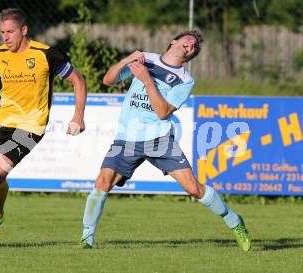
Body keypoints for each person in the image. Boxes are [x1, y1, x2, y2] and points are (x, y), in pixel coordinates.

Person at [79, 30, 251, 252]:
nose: (192, 44)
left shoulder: (185, 80)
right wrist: (127, 59)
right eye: (189, 40)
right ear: (174, 41)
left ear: (191, 55)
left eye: (196, 46)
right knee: (102, 182)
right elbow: (108, 80)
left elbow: (162, 112)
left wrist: (147, 80)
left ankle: (235, 222)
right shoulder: (145, 59)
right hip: (127, 137)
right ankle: (87, 238)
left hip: (159, 139)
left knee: (194, 189)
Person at [0, 8, 87, 245]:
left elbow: (78, 80)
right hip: (0, 124)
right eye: (2, 31)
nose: (5, 37)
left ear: (24, 30)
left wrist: (78, 116)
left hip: (30, 127)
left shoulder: (46, 54)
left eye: (10, 31)